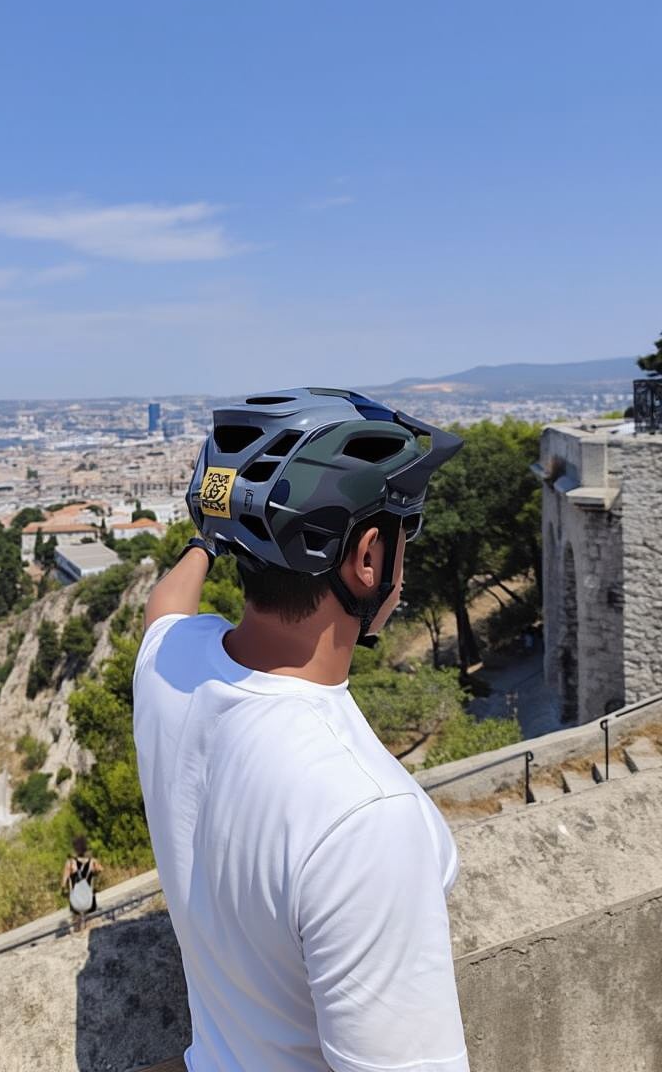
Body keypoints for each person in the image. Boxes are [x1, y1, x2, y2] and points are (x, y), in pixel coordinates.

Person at [133, 387, 470, 1072]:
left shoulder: (168, 668)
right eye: (405, 534)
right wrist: (220, 526)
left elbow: (163, 605)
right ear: (368, 558)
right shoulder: (366, 815)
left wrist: (211, 534)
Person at [61, 834, 102, 931]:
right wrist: (93, 873)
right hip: (89, 895)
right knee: (89, 919)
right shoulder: (92, 861)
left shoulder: (71, 863)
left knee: (77, 920)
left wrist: (63, 890)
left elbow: (64, 880)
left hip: (76, 897)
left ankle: (79, 929)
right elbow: (100, 869)